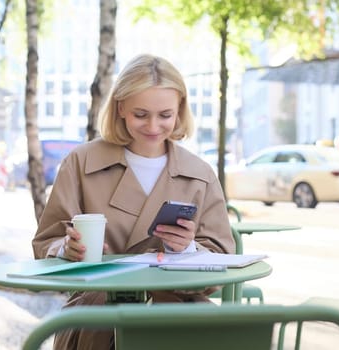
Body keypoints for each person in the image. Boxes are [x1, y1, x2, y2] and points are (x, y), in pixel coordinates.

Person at [32, 54, 235, 350]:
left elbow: (222, 258)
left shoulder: (199, 174)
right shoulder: (81, 162)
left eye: (165, 115)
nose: (153, 126)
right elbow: (46, 242)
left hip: (179, 313)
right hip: (98, 314)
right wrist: (66, 249)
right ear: (121, 108)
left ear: (180, 111)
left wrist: (187, 249)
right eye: (141, 114)